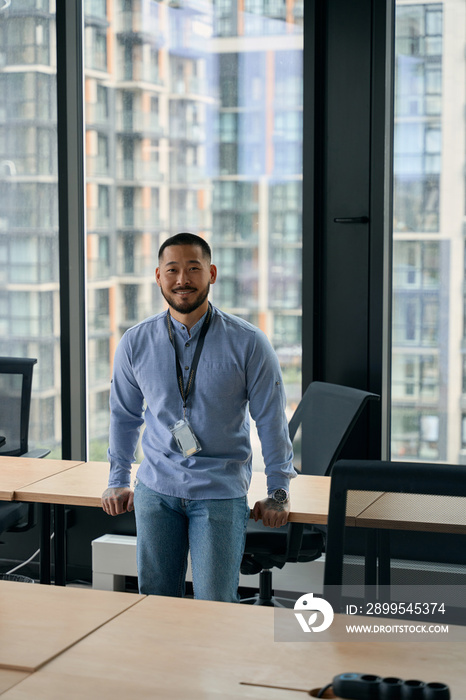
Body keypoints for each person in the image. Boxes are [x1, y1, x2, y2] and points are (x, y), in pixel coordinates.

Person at [101, 232, 296, 602]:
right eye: (172, 270)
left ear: (212, 274)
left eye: (194, 268)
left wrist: (278, 491)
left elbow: (271, 420)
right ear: (158, 276)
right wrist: (117, 478)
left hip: (219, 493)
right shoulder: (135, 342)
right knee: (155, 603)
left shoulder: (249, 342)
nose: (182, 279)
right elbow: (125, 416)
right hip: (156, 491)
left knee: (215, 605)